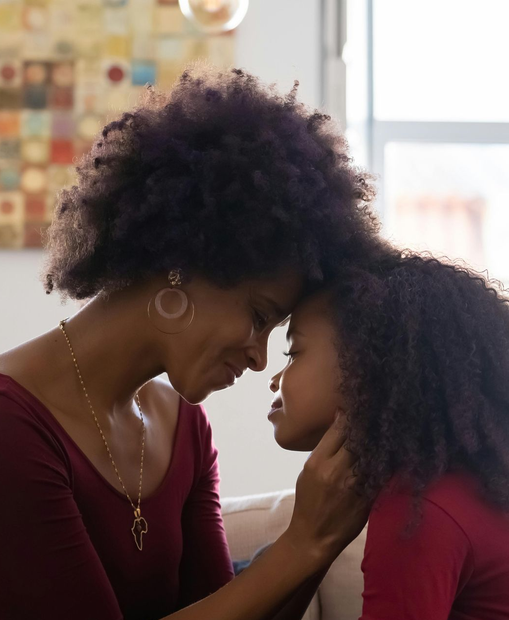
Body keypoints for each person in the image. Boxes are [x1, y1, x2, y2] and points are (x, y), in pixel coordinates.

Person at [0, 64, 382, 620]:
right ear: (184, 263)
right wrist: (303, 543)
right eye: (258, 315)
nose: (258, 358)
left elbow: (223, 608)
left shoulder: (184, 429)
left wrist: (320, 541)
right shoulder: (12, 426)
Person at [269, 251, 509, 619]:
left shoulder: (417, 507)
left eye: (293, 352)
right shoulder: (469, 485)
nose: (273, 379)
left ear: (367, 368)